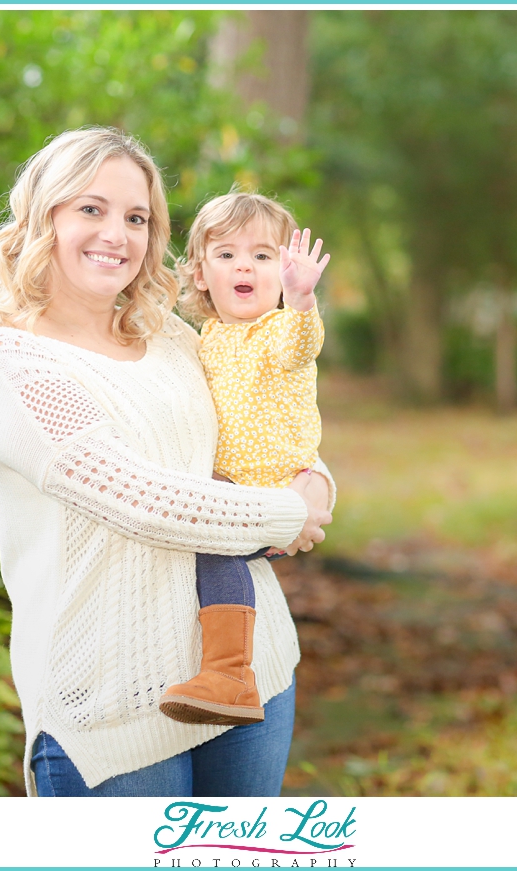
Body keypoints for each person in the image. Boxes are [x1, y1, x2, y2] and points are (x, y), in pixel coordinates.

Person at [0, 127, 334, 797]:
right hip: (112, 713)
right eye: (91, 209)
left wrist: (316, 479)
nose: (118, 234)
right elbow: (141, 501)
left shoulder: (166, 334)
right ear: (44, 215)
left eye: (137, 217)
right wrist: (288, 512)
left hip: (253, 677)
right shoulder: (11, 362)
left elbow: (257, 417)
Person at [158, 192, 329, 727]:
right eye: (227, 254)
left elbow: (302, 345)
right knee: (217, 552)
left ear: (281, 272)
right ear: (201, 274)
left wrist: (302, 301)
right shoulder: (207, 338)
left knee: (217, 551)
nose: (244, 266)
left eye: (262, 255)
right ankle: (227, 672)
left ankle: (230, 673)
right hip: (233, 488)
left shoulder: (276, 331)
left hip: (274, 489)